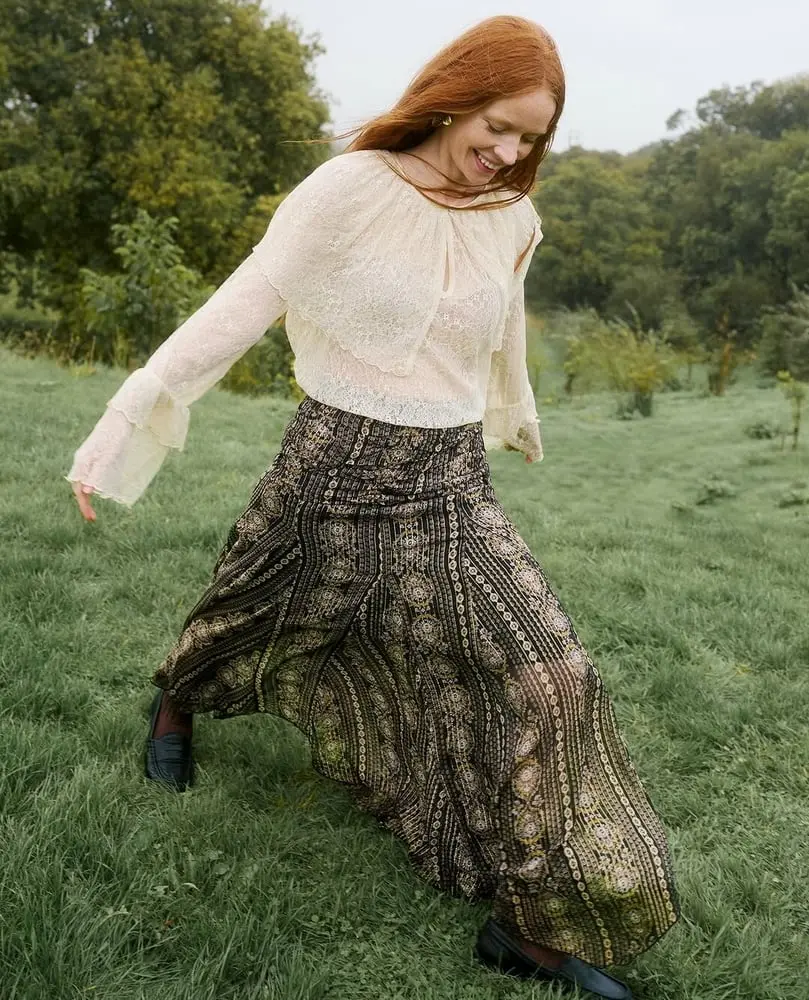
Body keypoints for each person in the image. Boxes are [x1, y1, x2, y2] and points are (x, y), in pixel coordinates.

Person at [67, 15, 679, 1000]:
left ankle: (528, 933)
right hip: (331, 470)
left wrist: (513, 413)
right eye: (499, 124)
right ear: (455, 93)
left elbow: (501, 326)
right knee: (248, 617)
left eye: (530, 139)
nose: (509, 152)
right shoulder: (349, 188)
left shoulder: (511, 216)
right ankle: (178, 702)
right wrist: (123, 423)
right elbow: (243, 299)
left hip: (447, 484)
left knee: (550, 675)